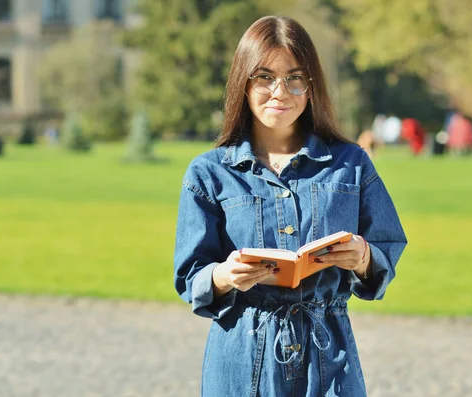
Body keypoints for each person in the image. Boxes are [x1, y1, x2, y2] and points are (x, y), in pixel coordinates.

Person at [173, 16, 407, 397]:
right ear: (243, 83)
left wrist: (363, 256)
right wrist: (225, 275)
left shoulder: (351, 164)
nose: (280, 91)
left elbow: (386, 250)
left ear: (311, 86)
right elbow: (190, 277)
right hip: (241, 357)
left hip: (329, 357)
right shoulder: (209, 173)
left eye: (294, 78)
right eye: (264, 77)